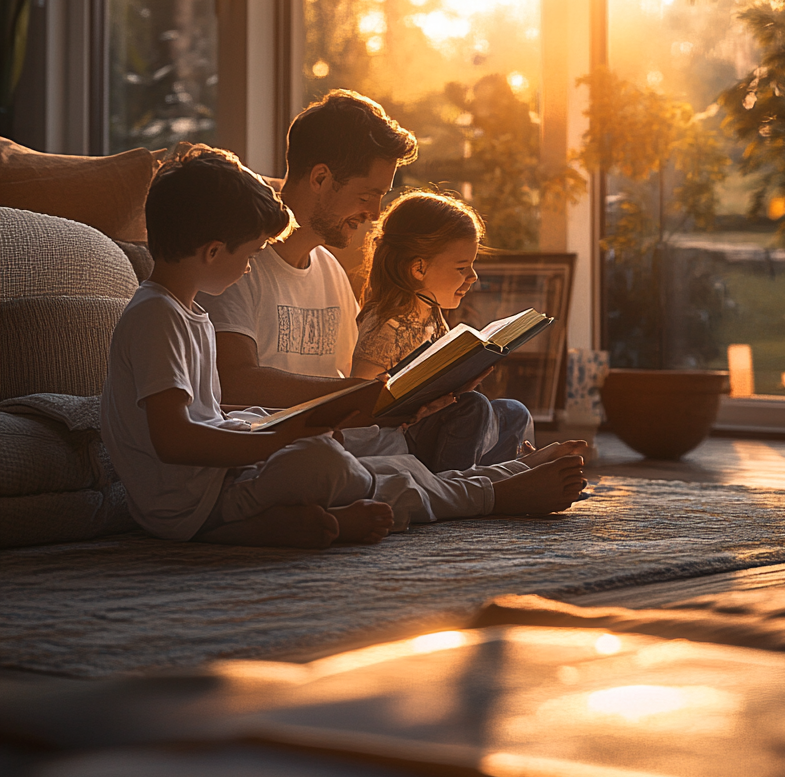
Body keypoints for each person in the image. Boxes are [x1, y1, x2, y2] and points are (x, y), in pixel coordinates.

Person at [102, 144, 586, 548]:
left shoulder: (187, 312)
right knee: (325, 462)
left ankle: (495, 481)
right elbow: (174, 440)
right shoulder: (156, 316)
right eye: (250, 254)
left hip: (215, 483)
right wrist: (279, 439)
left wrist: (271, 423)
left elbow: (207, 414)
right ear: (212, 252)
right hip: (188, 504)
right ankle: (496, 494)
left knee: (382, 463)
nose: (251, 267)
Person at [200, 90, 532, 470]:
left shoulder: (328, 270)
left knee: (497, 415)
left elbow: (356, 386)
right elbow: (235, 381)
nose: (375, 213)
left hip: (353, 441)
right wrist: (362, 395)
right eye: (368, 195)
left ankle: (494, 474)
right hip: (285, 453)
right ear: (322, 178)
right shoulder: (239, 265)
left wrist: (426, 396)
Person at [352, 190, 536, 471]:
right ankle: (458, 486)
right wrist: (416, 416)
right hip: (400, 440)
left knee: (513, 412)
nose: (473, 277)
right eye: (462, 267)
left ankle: (499, 475)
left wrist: (461, 384)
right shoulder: (385, 323)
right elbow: (361, 411)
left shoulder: (432, 313)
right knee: (473, 408)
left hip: (433, 428)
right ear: (419, 268)